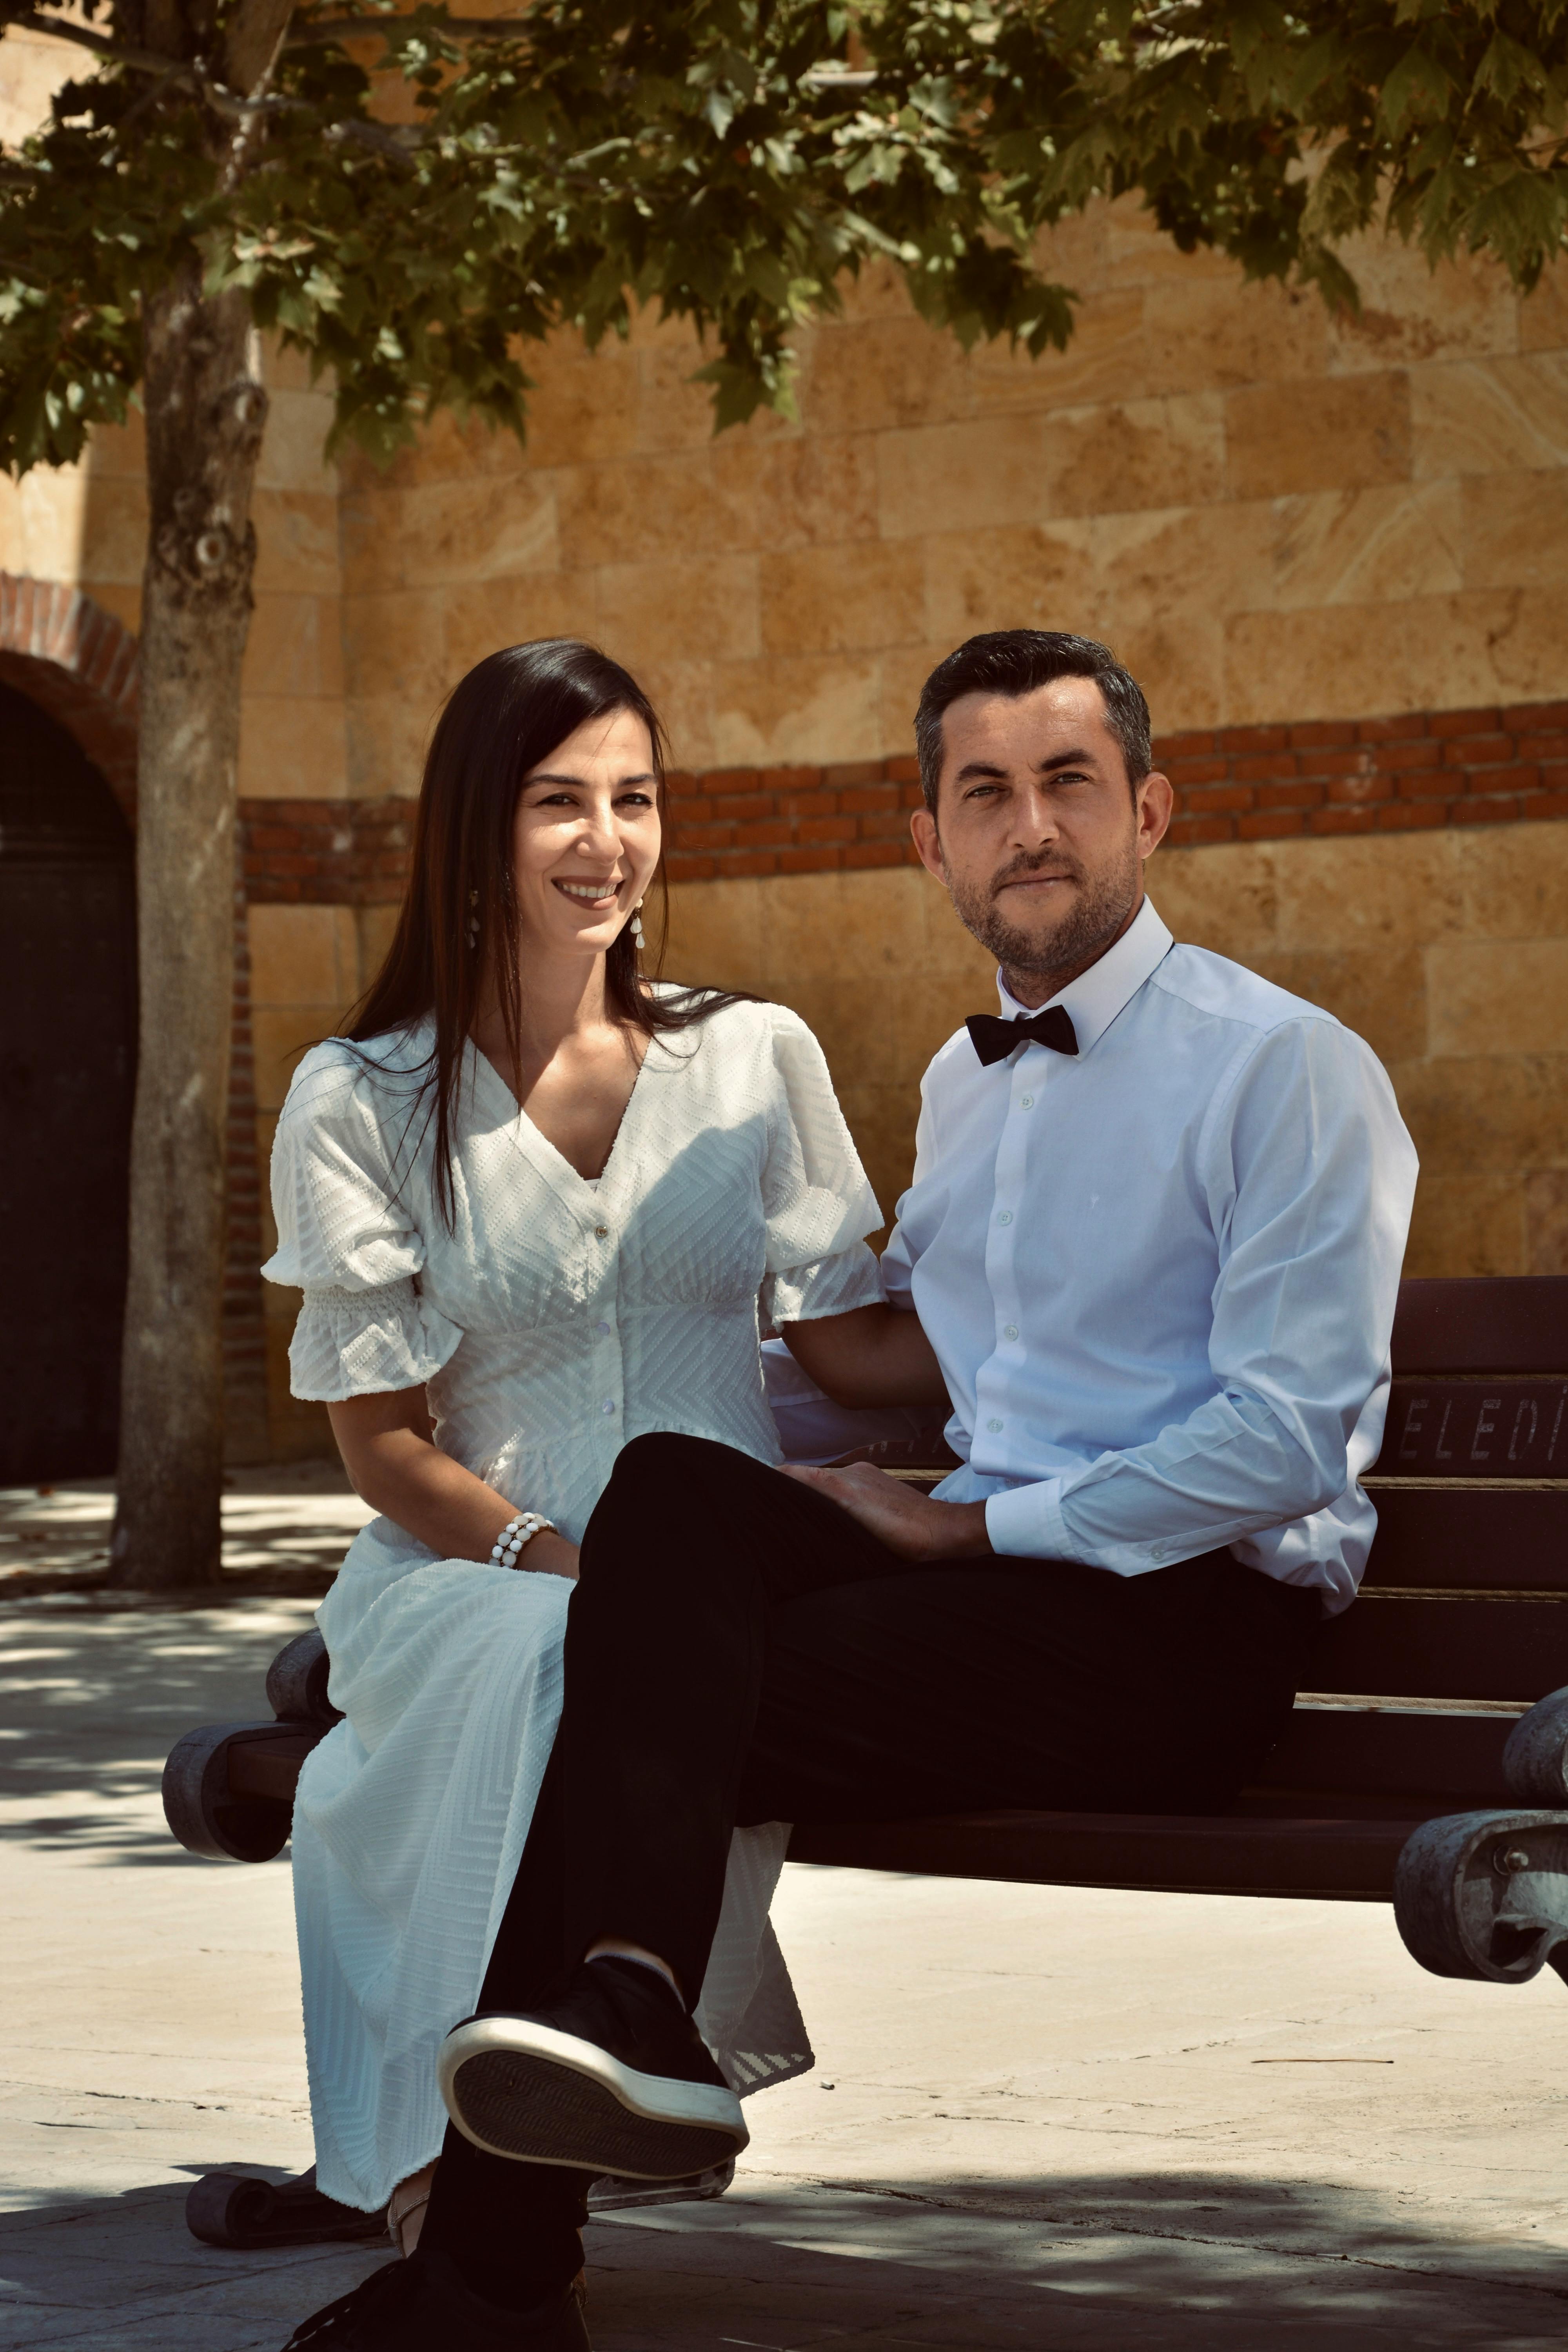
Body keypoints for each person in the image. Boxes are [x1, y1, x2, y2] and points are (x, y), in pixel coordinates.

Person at [303, 628, 1420, 2352]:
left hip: (1180, 1628)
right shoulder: (964, 1093)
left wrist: (968, 1523)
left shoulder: (1283, 1069)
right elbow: (879, 1363)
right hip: (985, 1600)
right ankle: (635, 2010)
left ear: (1151, 811)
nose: (1028, 827)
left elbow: (1284, 1441)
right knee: (674, 1499)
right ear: (933, 844)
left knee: (635, 1678)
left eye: (1067, 784)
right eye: (984, 793)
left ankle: (493, 2269)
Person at [269, 640, 948, 2352]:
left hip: (713, 1582)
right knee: (542, 1663)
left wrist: (1076, 1337)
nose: (606, 839)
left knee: (629, 1659)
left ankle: (484, 2230)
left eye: (634, 799)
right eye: (560, 801)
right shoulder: (364, 1099)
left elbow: (859, 1344)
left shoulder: (753, 1057)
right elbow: (381, 1442)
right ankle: (475, 2202)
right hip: (477, 1562)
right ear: (477, 832)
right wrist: (551, 1558)